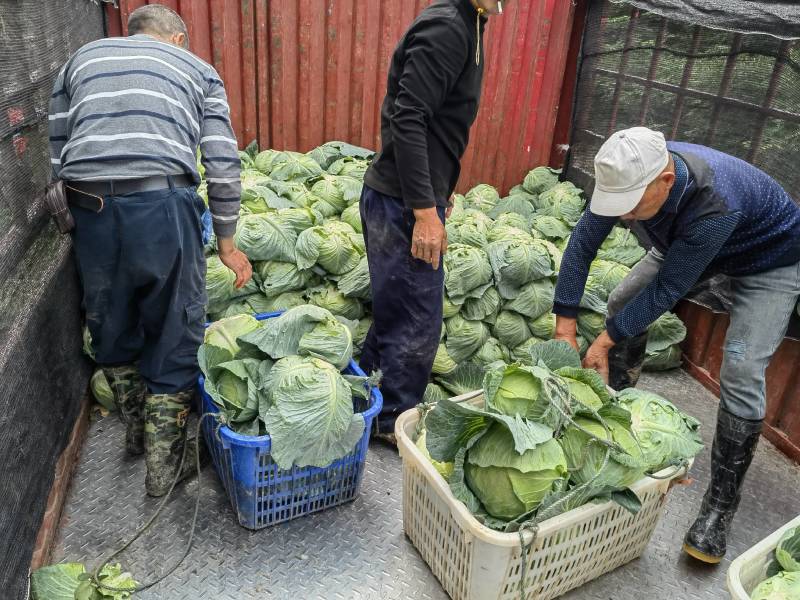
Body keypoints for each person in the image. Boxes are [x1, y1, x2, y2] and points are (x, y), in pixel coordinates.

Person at [552, 126, 800, 563]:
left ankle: (718, 511)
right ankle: (620, 413)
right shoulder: (629, 173)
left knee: (741, 370)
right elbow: (581, 246)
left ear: (665, 181)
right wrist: (565, 327)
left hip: (767, 258)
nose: (624, 217)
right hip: (685, 241)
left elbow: (667, 292)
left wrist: (604, 343)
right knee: (621, 299)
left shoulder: (715, 205)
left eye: (631, 207)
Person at [48, 4, 252, 497]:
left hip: (88, 203)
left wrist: (75, 212)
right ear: (178, 39)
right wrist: (226, 241)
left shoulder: (80, 59)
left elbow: (58, 146)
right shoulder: (198, 70)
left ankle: (137, 434)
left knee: (109, 318)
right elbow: (222, 161)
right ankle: (164, 467)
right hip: (161, 202)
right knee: (176, 323)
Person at [360, 0, 508, 442]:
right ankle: (392, 423)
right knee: (416, 319)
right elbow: (408, 118)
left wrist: (437, 192)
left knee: (398, 310)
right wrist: (425, 208)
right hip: (401, 205)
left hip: (406, 198)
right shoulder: (448, 27)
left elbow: (434, 124)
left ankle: (366, 396)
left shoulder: (471, 22)